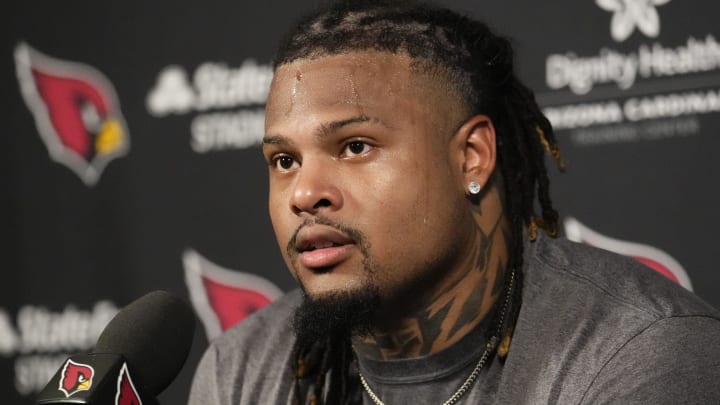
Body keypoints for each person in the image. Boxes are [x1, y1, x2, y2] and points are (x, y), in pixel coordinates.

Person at [188, 1, 720, 404]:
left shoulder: (641, 352)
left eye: (354, 147)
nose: (304, 194)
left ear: (471, 157)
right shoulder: (239, 369)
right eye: (284, 161)